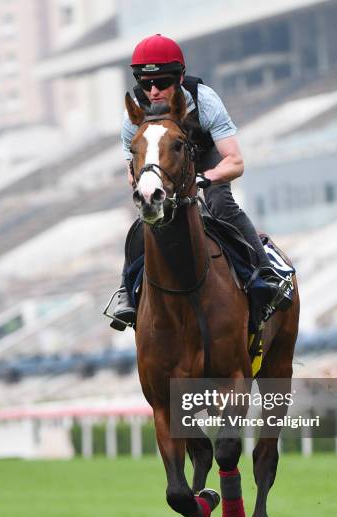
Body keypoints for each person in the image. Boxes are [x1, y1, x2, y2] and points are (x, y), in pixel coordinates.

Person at [110, 34, 292, 330]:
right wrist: (150, 187)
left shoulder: (204, 100)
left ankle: (264, 272)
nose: (154, 91)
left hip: (206, 157)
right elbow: (132, 170)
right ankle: (125, 293)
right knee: (147, 217)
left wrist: (203, 178)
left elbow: (235, 161)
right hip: (161, 167)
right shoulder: (133, 117)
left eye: (163, 82)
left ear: (180, 77)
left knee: (221, 203)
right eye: (145, 83)